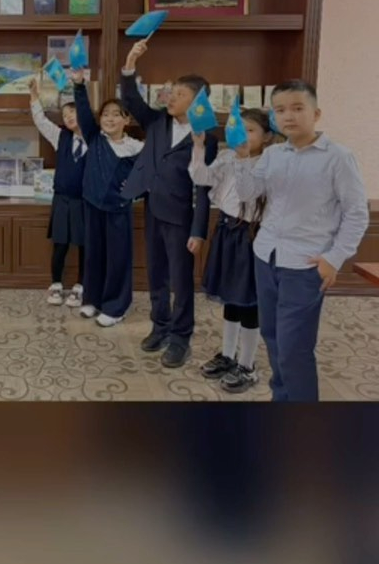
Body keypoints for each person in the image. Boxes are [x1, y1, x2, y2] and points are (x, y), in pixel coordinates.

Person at [233, 80, 368, 402]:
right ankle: (282, 398)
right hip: (266, 256)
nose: (288, 116)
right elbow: (248, 194)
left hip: (306, 264)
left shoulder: (338, 157)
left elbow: (356, 214)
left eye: (297, 108)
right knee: (272, 335)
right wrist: (242, 159)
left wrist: (334, 258)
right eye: (280, 110)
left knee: (294, 346)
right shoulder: (273, 154)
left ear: (316, 113)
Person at [120, 39, 217, 368]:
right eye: (171, 93)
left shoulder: (207, 137)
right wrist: (130, 64)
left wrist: (198, 230)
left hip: (182, 217)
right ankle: (160, 327)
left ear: (198, 101)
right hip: (153, 210)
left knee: (181, 280)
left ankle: (180, 338)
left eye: (179, 94)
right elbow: (131, 99)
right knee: (156, 273)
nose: (171, 98)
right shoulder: (157, 121)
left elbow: (204, 188)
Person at [189, 109, 273, 393]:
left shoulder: (269, 163)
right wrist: (198, 146)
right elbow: (201, 177)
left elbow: (253, 194)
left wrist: (245, 159)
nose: (243, 135)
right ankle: (227, 354)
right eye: (239, 128)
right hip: (226, 231)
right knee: (231, 299)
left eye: (250, 130)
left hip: (251, 235)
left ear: (267, 136)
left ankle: (247, 365)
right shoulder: (226, 156)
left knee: (249, 301)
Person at [70, 70, 143, 327]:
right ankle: (93, 299)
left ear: (126, 120)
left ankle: (116, 307)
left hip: (118, 210)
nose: (109, 118)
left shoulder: (136, 148)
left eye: (116, 114)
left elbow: (149, 177)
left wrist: (133, 191)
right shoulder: (94, 138)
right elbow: (83, 112)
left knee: (117, 259)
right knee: (94, 255)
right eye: (105, 114)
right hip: (92, 206)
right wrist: (79, 86)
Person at [29, 76, 87, 306]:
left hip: (85, 201)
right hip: (62, 200)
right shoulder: (60, 136)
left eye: (73, 112)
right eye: (65, 115)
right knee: (60, 244)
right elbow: (40, 120)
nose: (69, 117)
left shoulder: (96, 139)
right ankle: (56, 284)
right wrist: (34, 96)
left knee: (85, 246)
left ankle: (81, 286)